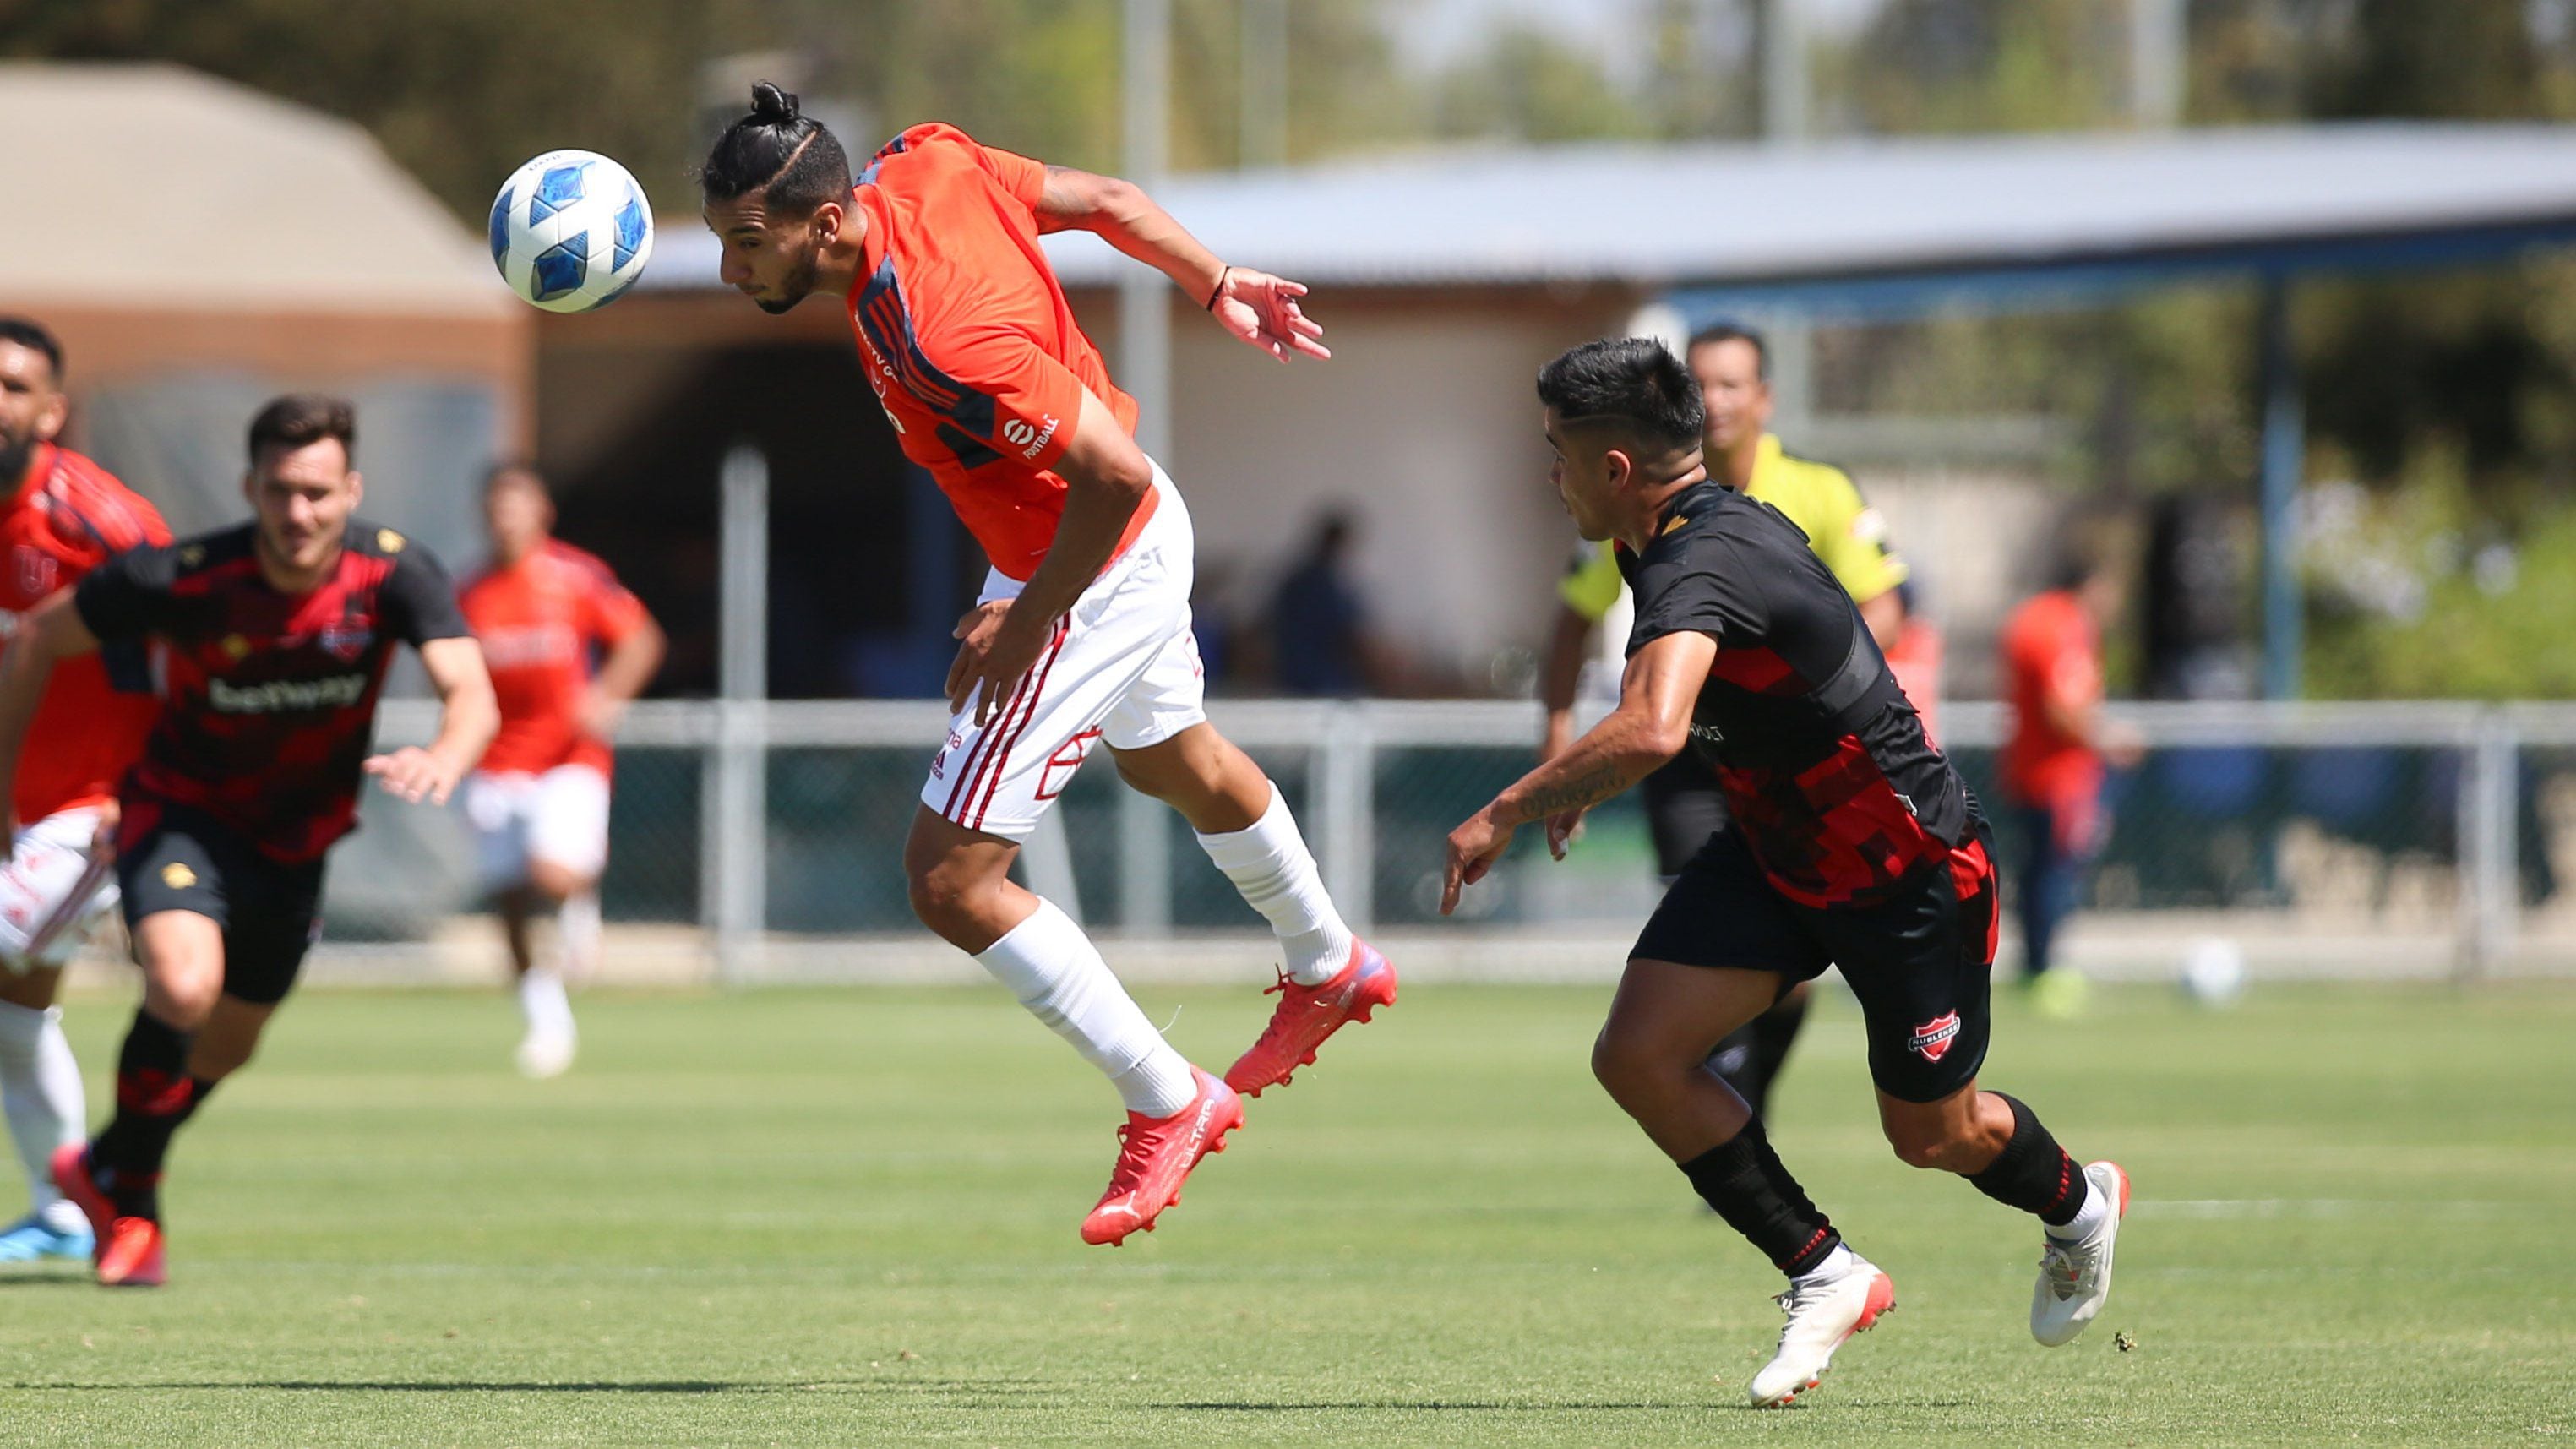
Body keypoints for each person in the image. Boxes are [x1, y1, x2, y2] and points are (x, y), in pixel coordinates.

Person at [698, 84, 1391, 1246]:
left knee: (951, 878)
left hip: (1095, 555)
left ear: (823, 225)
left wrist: (1026, 621)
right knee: (1175, 762)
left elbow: (1107, 477)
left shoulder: (940, 331)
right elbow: (1109, 199)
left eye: (744, 243)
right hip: (1101, 536)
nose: (730, 270)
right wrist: (1213, 277)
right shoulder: (923, 159)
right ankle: (1330, 961)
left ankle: (1166, 1095)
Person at [1448, 339, 2127, 1406]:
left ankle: (2079, 1203)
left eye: (1557, 453)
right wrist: (1589, 766)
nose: (1551, 475)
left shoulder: (1701, 552)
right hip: (1774, 852)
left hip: (1905, 866)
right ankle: (1825, 1271)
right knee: (1638, 1052)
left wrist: (1505, 808)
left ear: (1614, 467)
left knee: (1932, 1135)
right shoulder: (1662, 536)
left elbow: (1656, 726)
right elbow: (1649, 706)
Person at [0, 395, 497, 1287]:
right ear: (250, 489)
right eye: (279, 491)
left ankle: (105, 1164)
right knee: (184, 986)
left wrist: (448, 753)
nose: (297, 513)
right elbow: (41, 635)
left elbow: (472, 690)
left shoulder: (393, 574)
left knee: (226, 1048)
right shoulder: (187, 575)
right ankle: (135, 1205)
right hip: (178, 813)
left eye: (316, 492)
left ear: (351, 490)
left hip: (295, 843)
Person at [1537, 322, 1915, 1119]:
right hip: (1689, 753)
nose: (1711, 400)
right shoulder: (1631, 507)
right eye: (1698, 383)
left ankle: (1742, 1093)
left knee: (1791, 971)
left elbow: (1879, 608)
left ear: (1764, 398)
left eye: (1730, 383)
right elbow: (1574, 616)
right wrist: (1559, 737)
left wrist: (1809, 697)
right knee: (1710, 926)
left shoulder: (1815, 492)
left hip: (1797, 760)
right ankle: (1728, 1100)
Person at [0, 317, 171, 1267]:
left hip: (88, 809)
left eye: (15, 386)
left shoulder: (98, 523)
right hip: (8, 802)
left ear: (54, 412)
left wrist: (150, 794)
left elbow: (186, 644)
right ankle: (70, 1208)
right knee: (15, 1007)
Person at [458, 463, 664, 1078]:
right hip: (496, 761)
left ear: (542, 510)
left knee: (553, 871)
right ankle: (546, 1019)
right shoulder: (470, 592)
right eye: (496, 505)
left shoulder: (573, 576)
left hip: (567, 755)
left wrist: (606, 697)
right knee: (509, 901)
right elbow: (451, 669)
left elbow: (640, 637)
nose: (506, 516)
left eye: (517, 503)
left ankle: (580, 900)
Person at [1997, 553, 2142, 1019]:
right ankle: (2045, 969)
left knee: (2037, 871)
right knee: (2054, 873)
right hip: (2059, 777)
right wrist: (2109, 738)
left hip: (2027, 769)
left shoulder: (2031, 618)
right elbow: (2063, 707)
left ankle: (2034, 965)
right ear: (2092, 583)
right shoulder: (2062, 626)